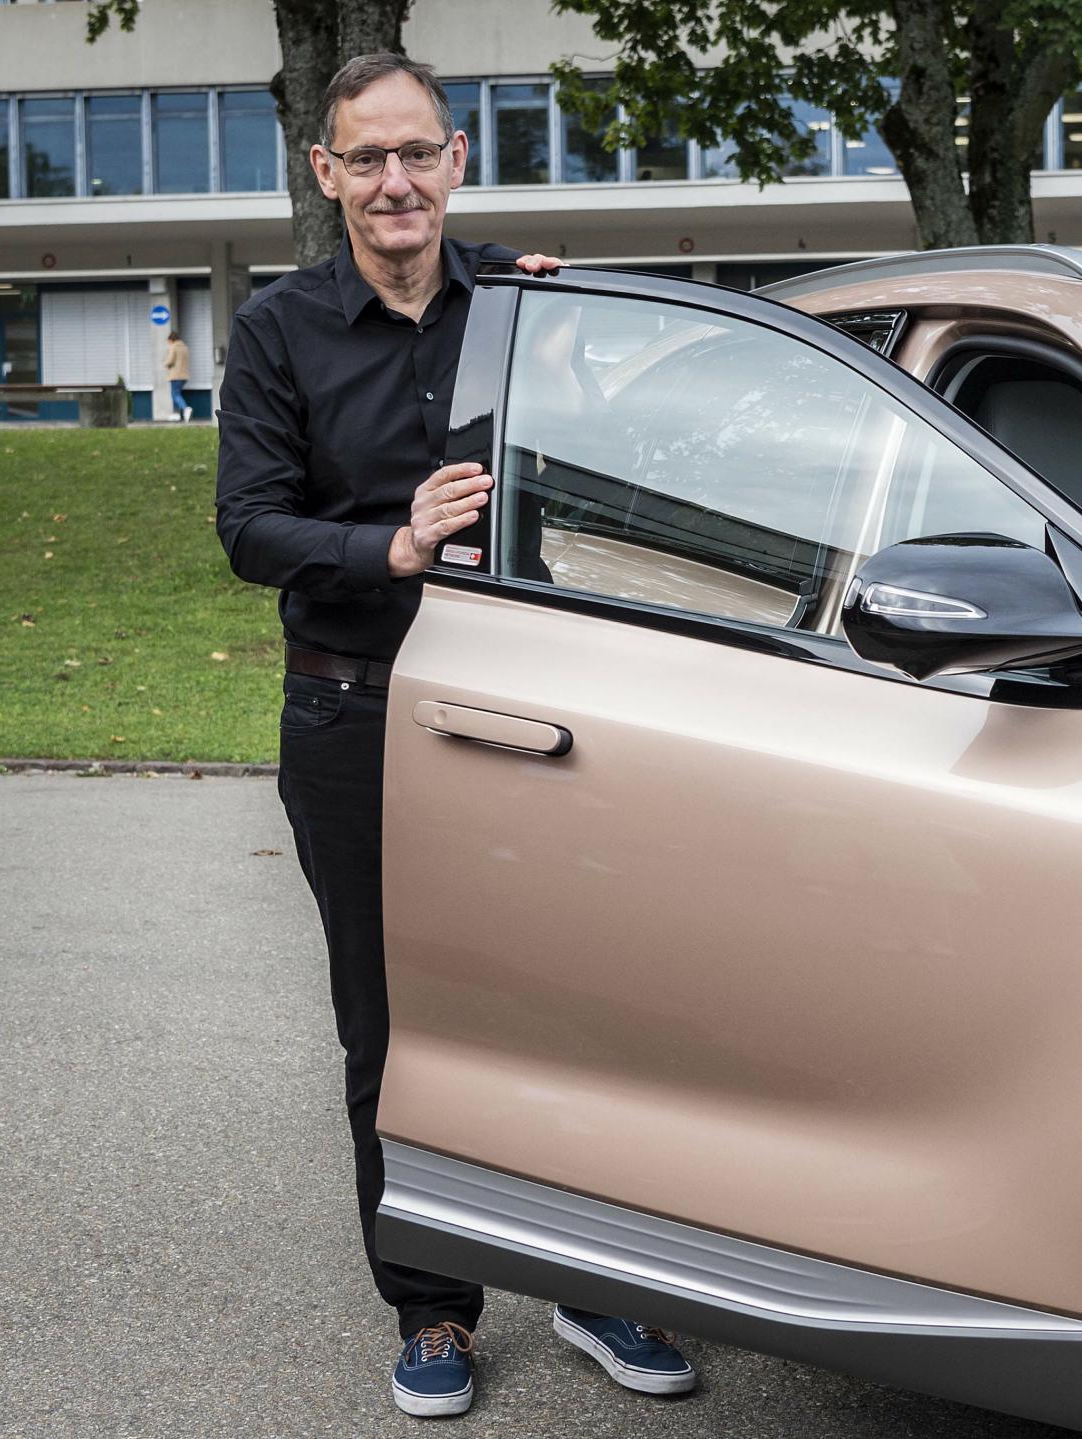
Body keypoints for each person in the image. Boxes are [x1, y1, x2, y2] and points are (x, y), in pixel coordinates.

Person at [212, 51, 695, 1419]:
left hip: (546, 716)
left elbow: (622, 485)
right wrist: (396, 542)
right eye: (365, 158)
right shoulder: (278, 331)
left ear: (459, 155)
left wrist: (585, 352)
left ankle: (595, 1280)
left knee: (571, 1004)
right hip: (357, 709)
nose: (394, 181)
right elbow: (249, 526)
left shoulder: (529, 302)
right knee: (394, 1020)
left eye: (416, 152)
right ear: (326, 173)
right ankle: (431, 1303)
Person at [162, 330, 192, 422]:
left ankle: (185, 409)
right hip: (184, 375)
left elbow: (170, 360)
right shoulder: (185, 347)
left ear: (171, 339)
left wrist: (165, 363)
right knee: (176, 394)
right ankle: (177, 414)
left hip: (175, 375)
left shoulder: (173, 347)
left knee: (175, 394)